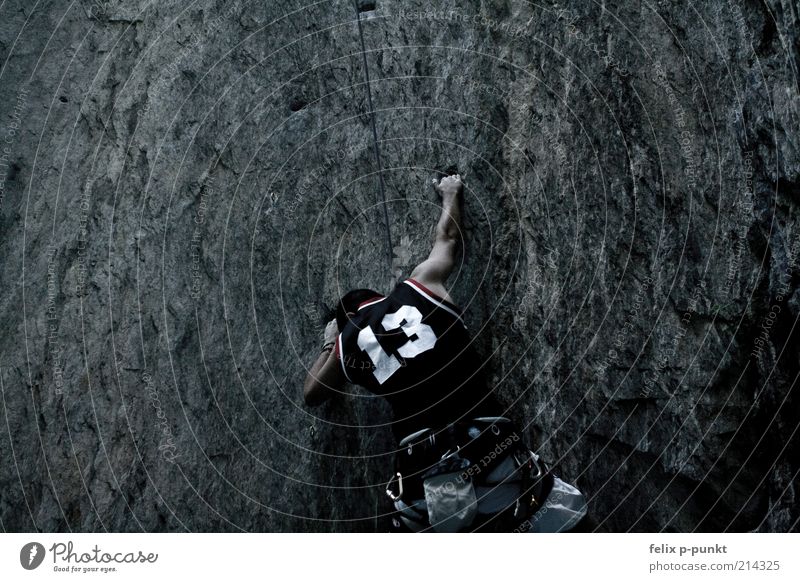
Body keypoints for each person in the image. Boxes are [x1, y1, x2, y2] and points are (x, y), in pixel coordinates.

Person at [303, 174, 589, 532]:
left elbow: (312, 393)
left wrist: (332, 342)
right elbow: (448, 237)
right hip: (489, 444)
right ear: (375, 295)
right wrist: (451, 192)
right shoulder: (421, 283)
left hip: (427, 477)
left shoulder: (348, 343)